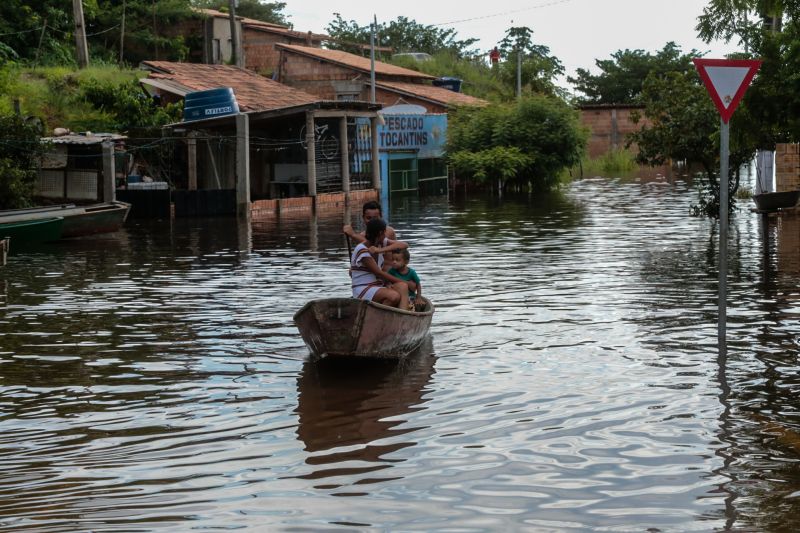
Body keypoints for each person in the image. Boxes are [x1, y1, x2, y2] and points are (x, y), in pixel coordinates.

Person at [351, 218, 410, 309]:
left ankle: (403, 318)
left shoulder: (380, 243)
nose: (385, 235)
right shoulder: (362, 249)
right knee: (394, 296)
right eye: (384, 232)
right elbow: (379, 273)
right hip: (363, 288)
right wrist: (403, 281)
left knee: (403, 286)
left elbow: (404, 245)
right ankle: (375, 315)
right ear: (380, 234)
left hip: (378, 286)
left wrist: (379, 250)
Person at [343, 200, 397, 270]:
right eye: (369, 218)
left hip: (391, 274)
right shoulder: (361, 236)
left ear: (381, 217)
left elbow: (374, 242)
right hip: (374, 276)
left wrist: (353, 235)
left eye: (375, 218)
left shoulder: (388, 231)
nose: (372, 221)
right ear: (363, 218)